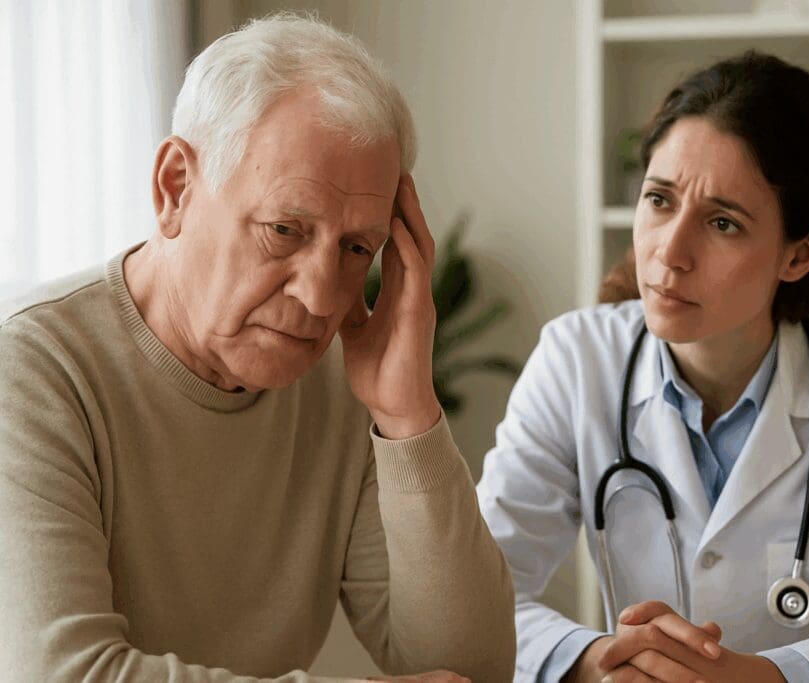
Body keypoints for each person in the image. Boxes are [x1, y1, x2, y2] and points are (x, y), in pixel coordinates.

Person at [476, 51, 809, 682]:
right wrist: (592, 660)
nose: (670, 253)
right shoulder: (577, 361)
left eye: (723, 222)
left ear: (801, 253)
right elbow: (470, 606)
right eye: (659, 200)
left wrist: (771, 676)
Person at [0, 14, 514, 683]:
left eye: (356, 247)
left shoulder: (341, 383)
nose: (320, 294)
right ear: (175, 188)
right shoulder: (33, 370)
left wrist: (409, 413)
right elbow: (56, 675)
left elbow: (468, 668)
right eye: (284, 229)